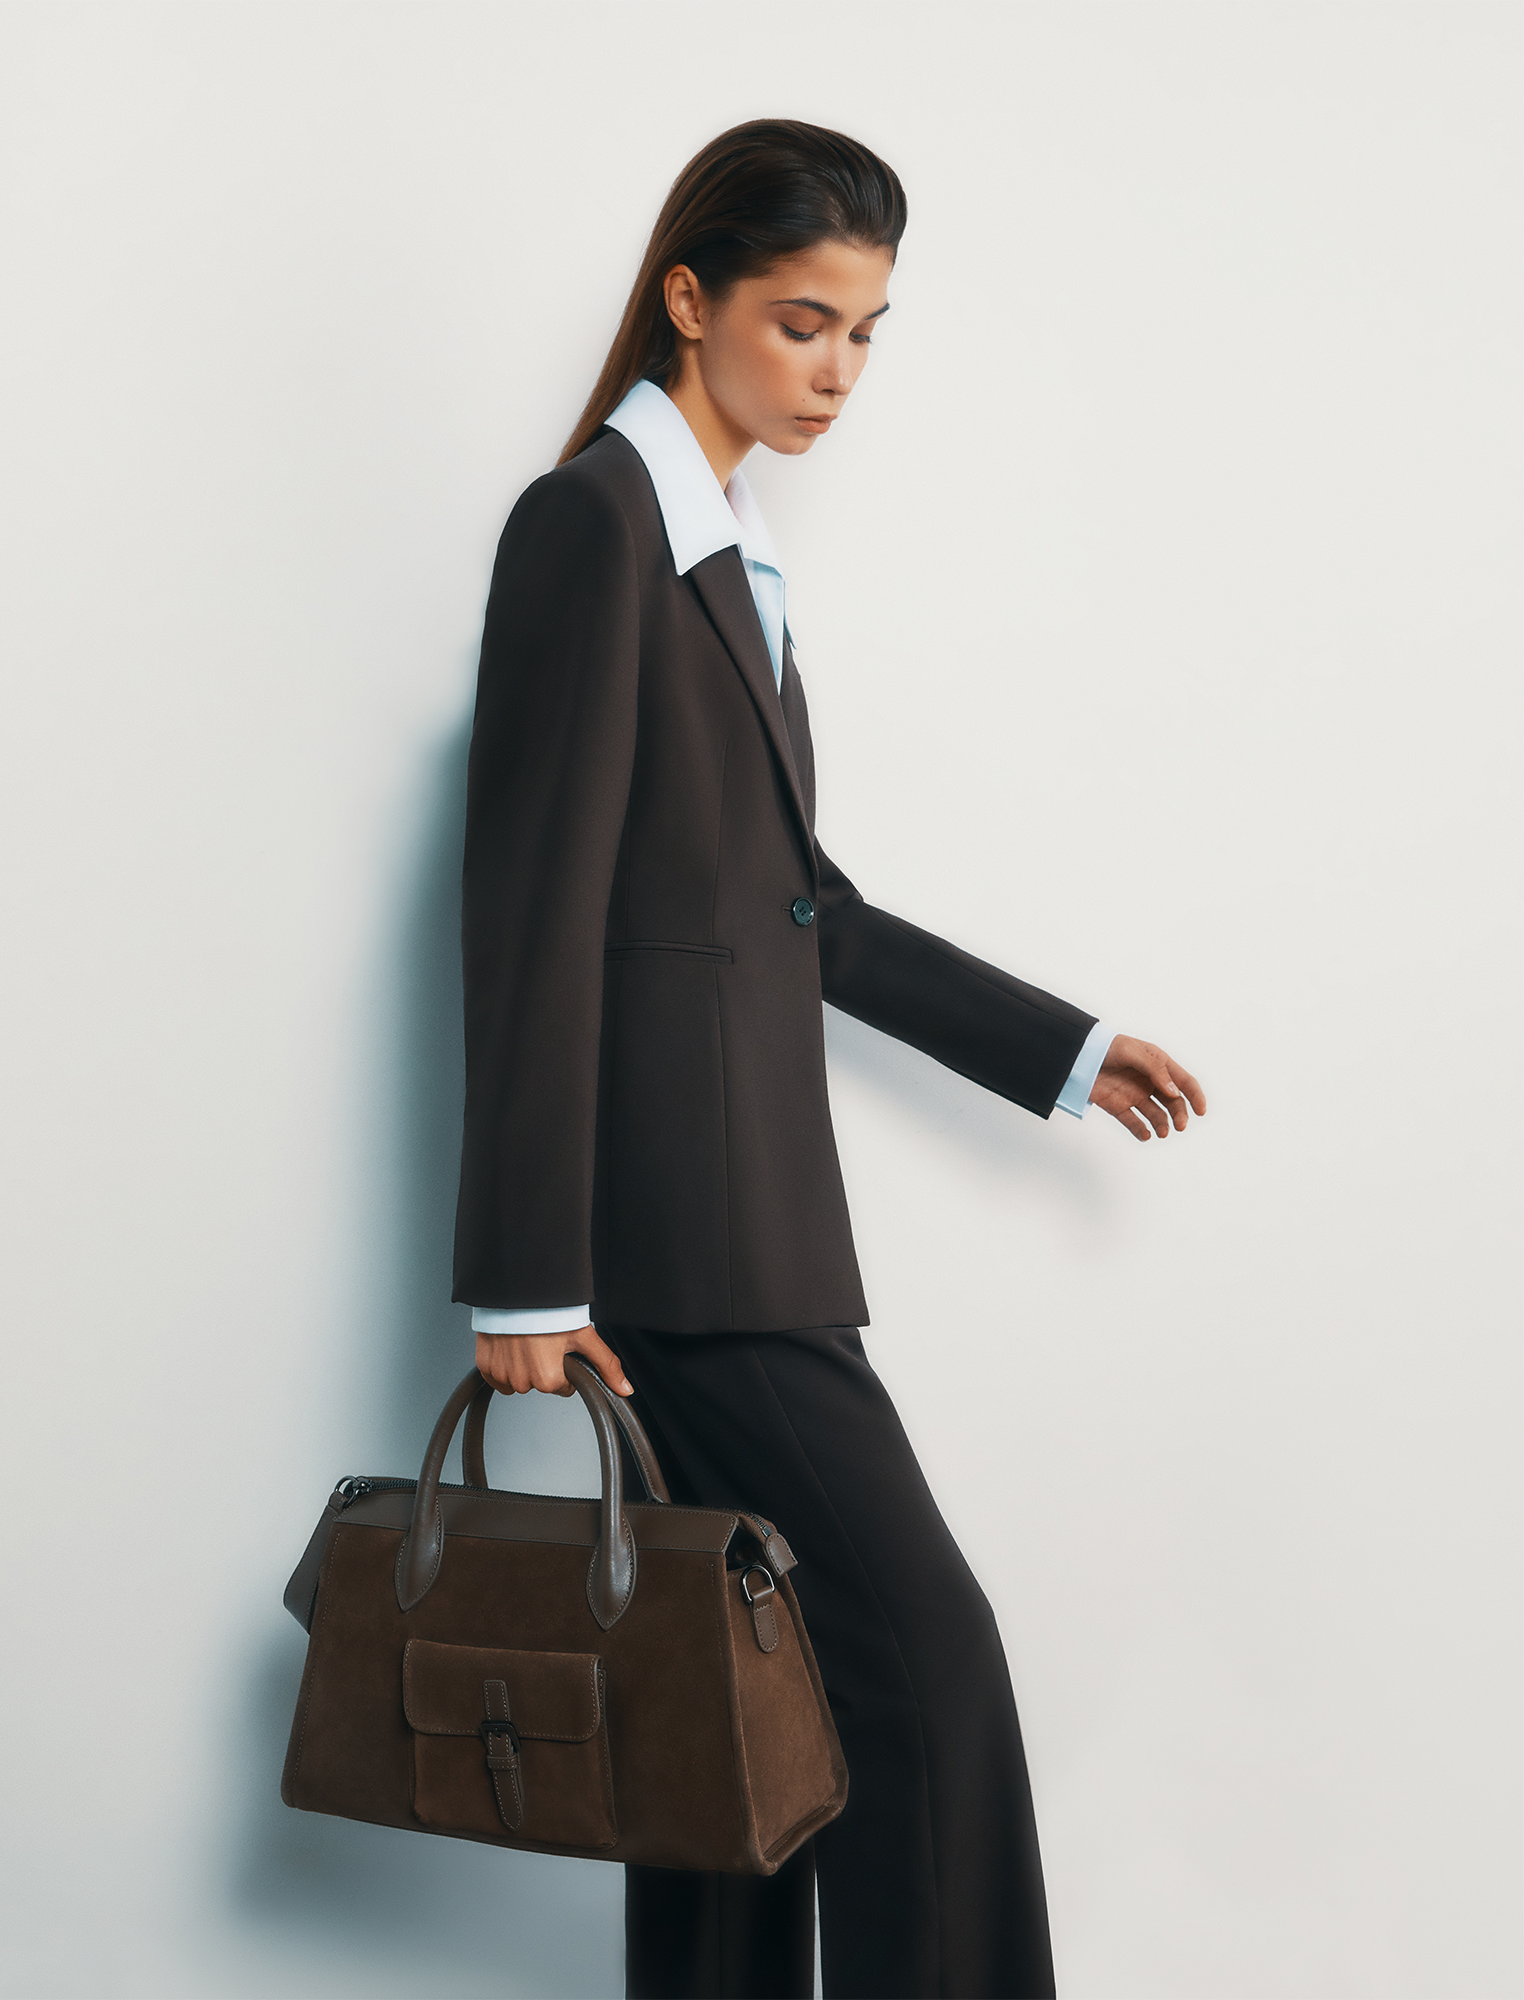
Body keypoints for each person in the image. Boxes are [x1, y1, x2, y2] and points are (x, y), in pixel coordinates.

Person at [452, 119, 1206, 2000]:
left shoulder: (725, 556)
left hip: (745, 1226)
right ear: (688, 299)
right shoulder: (595, 528)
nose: (840, 371)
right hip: (683, 1252)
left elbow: (805, 913)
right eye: (804, 323)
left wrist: (1064, 1049)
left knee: (730, 1703)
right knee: (922, 1671)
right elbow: (533, 909)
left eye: (866, 333)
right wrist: (524, 1280)